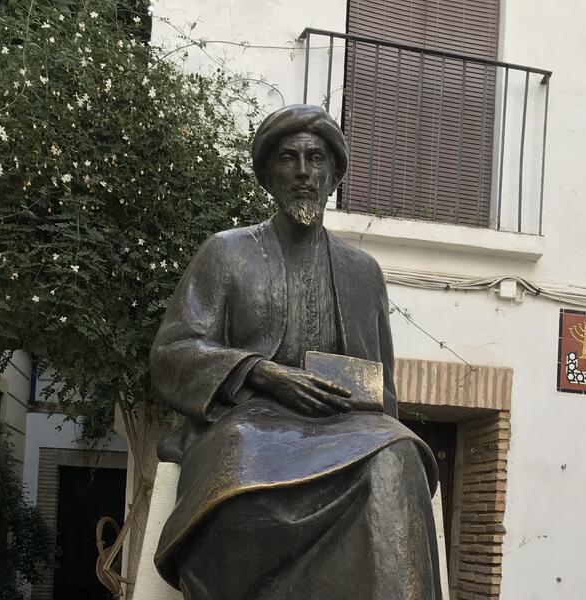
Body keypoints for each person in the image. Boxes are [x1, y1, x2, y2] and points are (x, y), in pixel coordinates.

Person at [150, 104, 443, 600]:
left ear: (332, 177)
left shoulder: (362, 273)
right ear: (269, 175)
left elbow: (382, 386)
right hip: (246, 424)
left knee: (397, 456)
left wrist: (370, 414)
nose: (304, 172)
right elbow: (173, 351)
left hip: (344, 426)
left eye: (316, 160)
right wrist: (262, 373)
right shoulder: (225, 252)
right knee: (239, 476)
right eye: (289, 158)